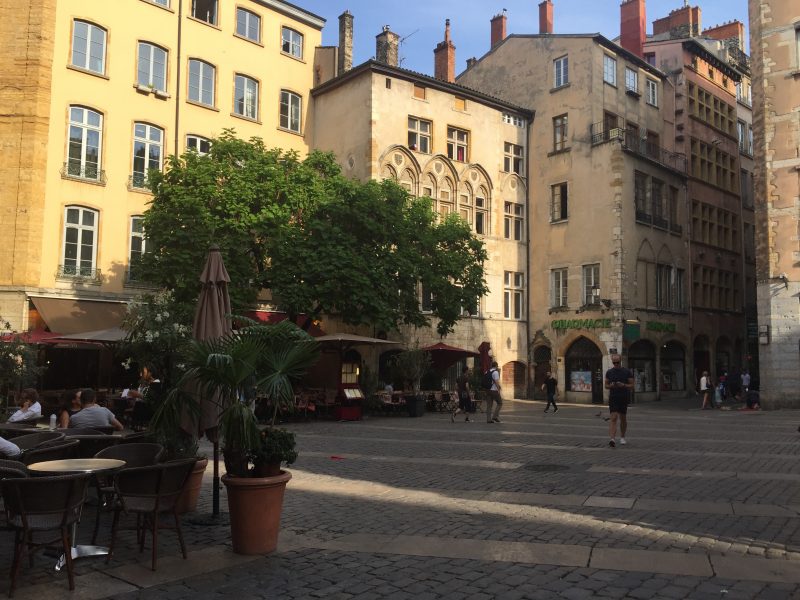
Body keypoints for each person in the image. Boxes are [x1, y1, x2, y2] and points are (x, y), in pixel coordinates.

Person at [605, 354, 633, 448]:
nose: (616, 364)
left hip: (623, 397)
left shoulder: (627, 372)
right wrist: (611, 385)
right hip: (613, 397)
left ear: (620, 361)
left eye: (617, 362)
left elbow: (632, 385)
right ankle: (612, 439)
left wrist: (623, 385)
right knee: (613, 417)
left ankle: (622, 437)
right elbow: (606, 385)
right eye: (614, 362)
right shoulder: (609, 372)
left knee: (623, 418)